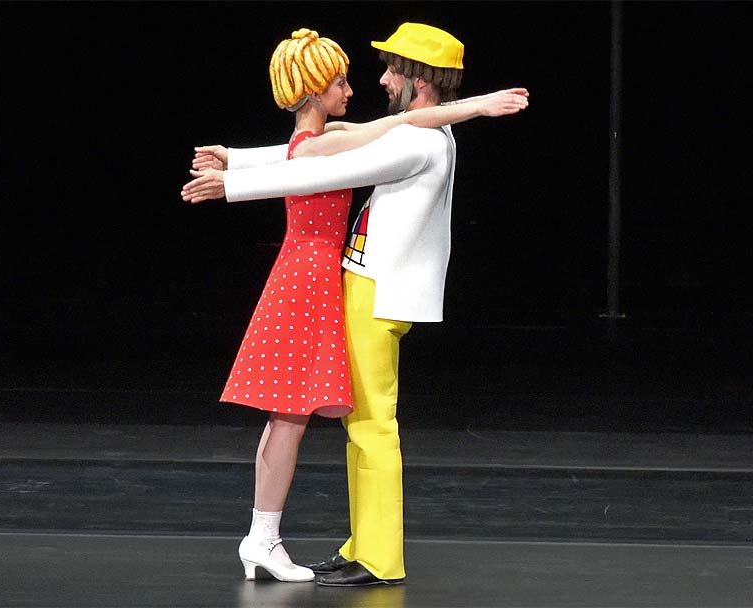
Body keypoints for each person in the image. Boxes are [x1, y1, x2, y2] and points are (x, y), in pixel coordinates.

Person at [182, 24, 528, 586]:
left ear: (418, 80)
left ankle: (377, 557)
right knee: (361, 425)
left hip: (376, 291)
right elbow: (321, 145)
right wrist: (238, 162)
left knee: (371, 427)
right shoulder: (418, 132)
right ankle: (363, 545)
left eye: (393, 70)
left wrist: (233, 185)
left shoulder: (418, 141)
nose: (382, 80)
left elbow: (328, 167)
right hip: (365, 284)